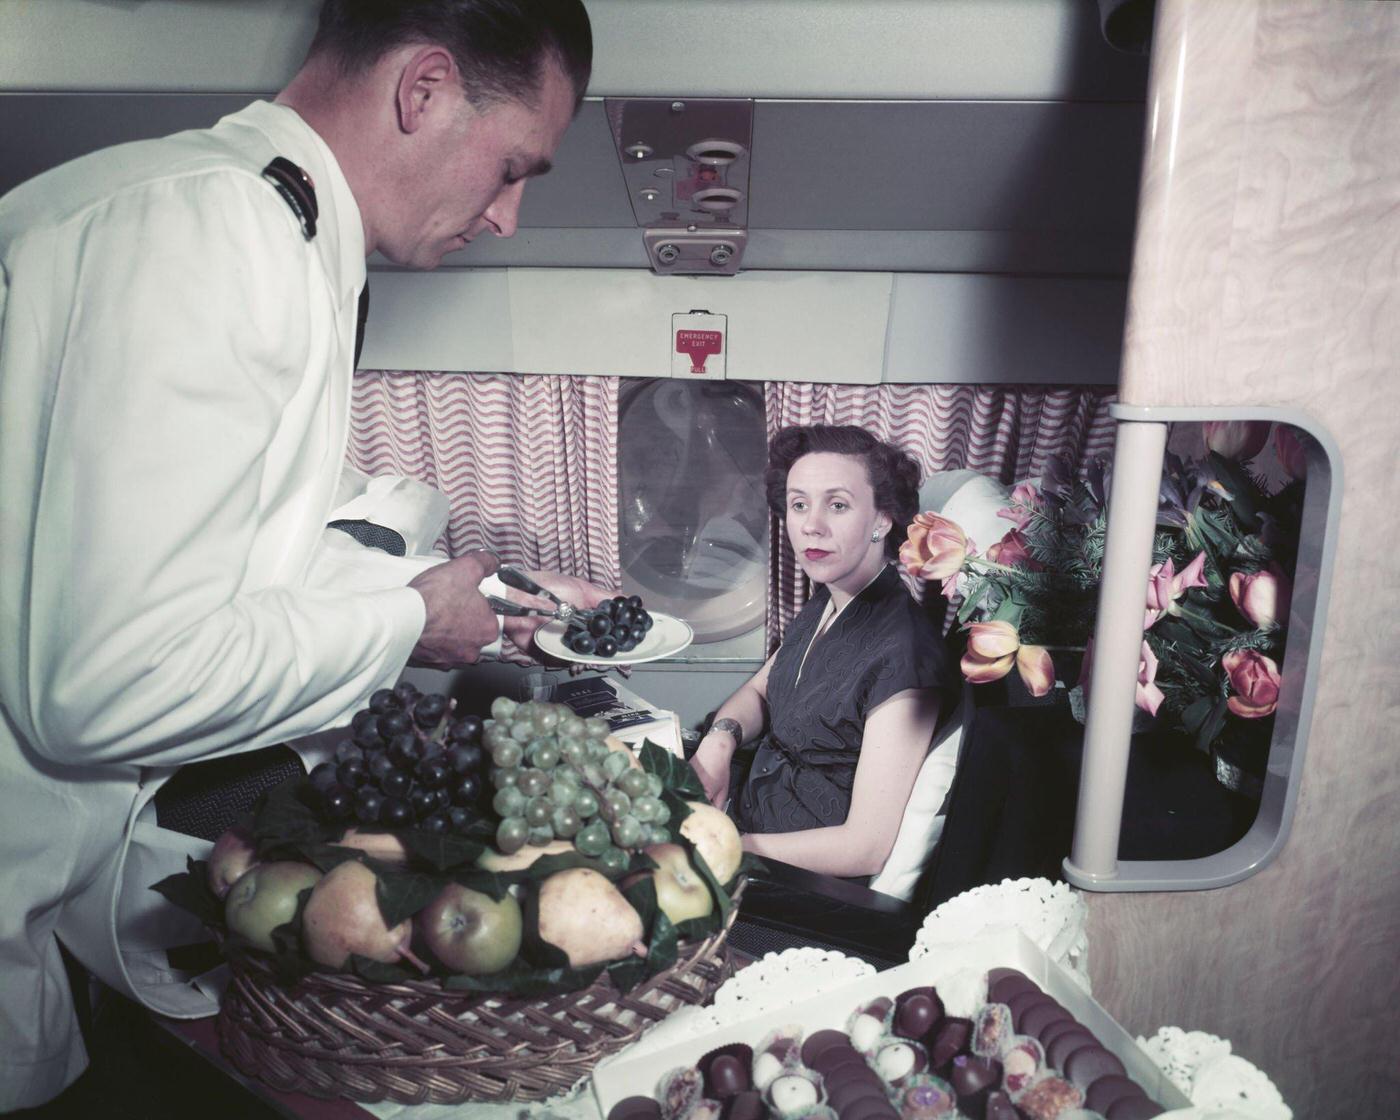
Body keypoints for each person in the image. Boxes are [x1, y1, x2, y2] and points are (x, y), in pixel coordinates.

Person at [0, 1, 595, 1109]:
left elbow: (258, 540)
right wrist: (410, 624)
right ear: (422, 91)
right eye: (515, 168)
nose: (509, 217)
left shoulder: (264, 232)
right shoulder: (210, 239)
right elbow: (103, 686)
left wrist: (482, 590)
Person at [689, 426, 952, 879]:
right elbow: (761, 689)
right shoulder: (830, 597)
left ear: (883, 519)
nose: (811, 524)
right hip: (741, 811)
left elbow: (864, 848)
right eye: (798, 504)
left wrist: (725, 844)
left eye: (837, 504)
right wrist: (721, 739)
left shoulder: (904, 654)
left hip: (786, 872)